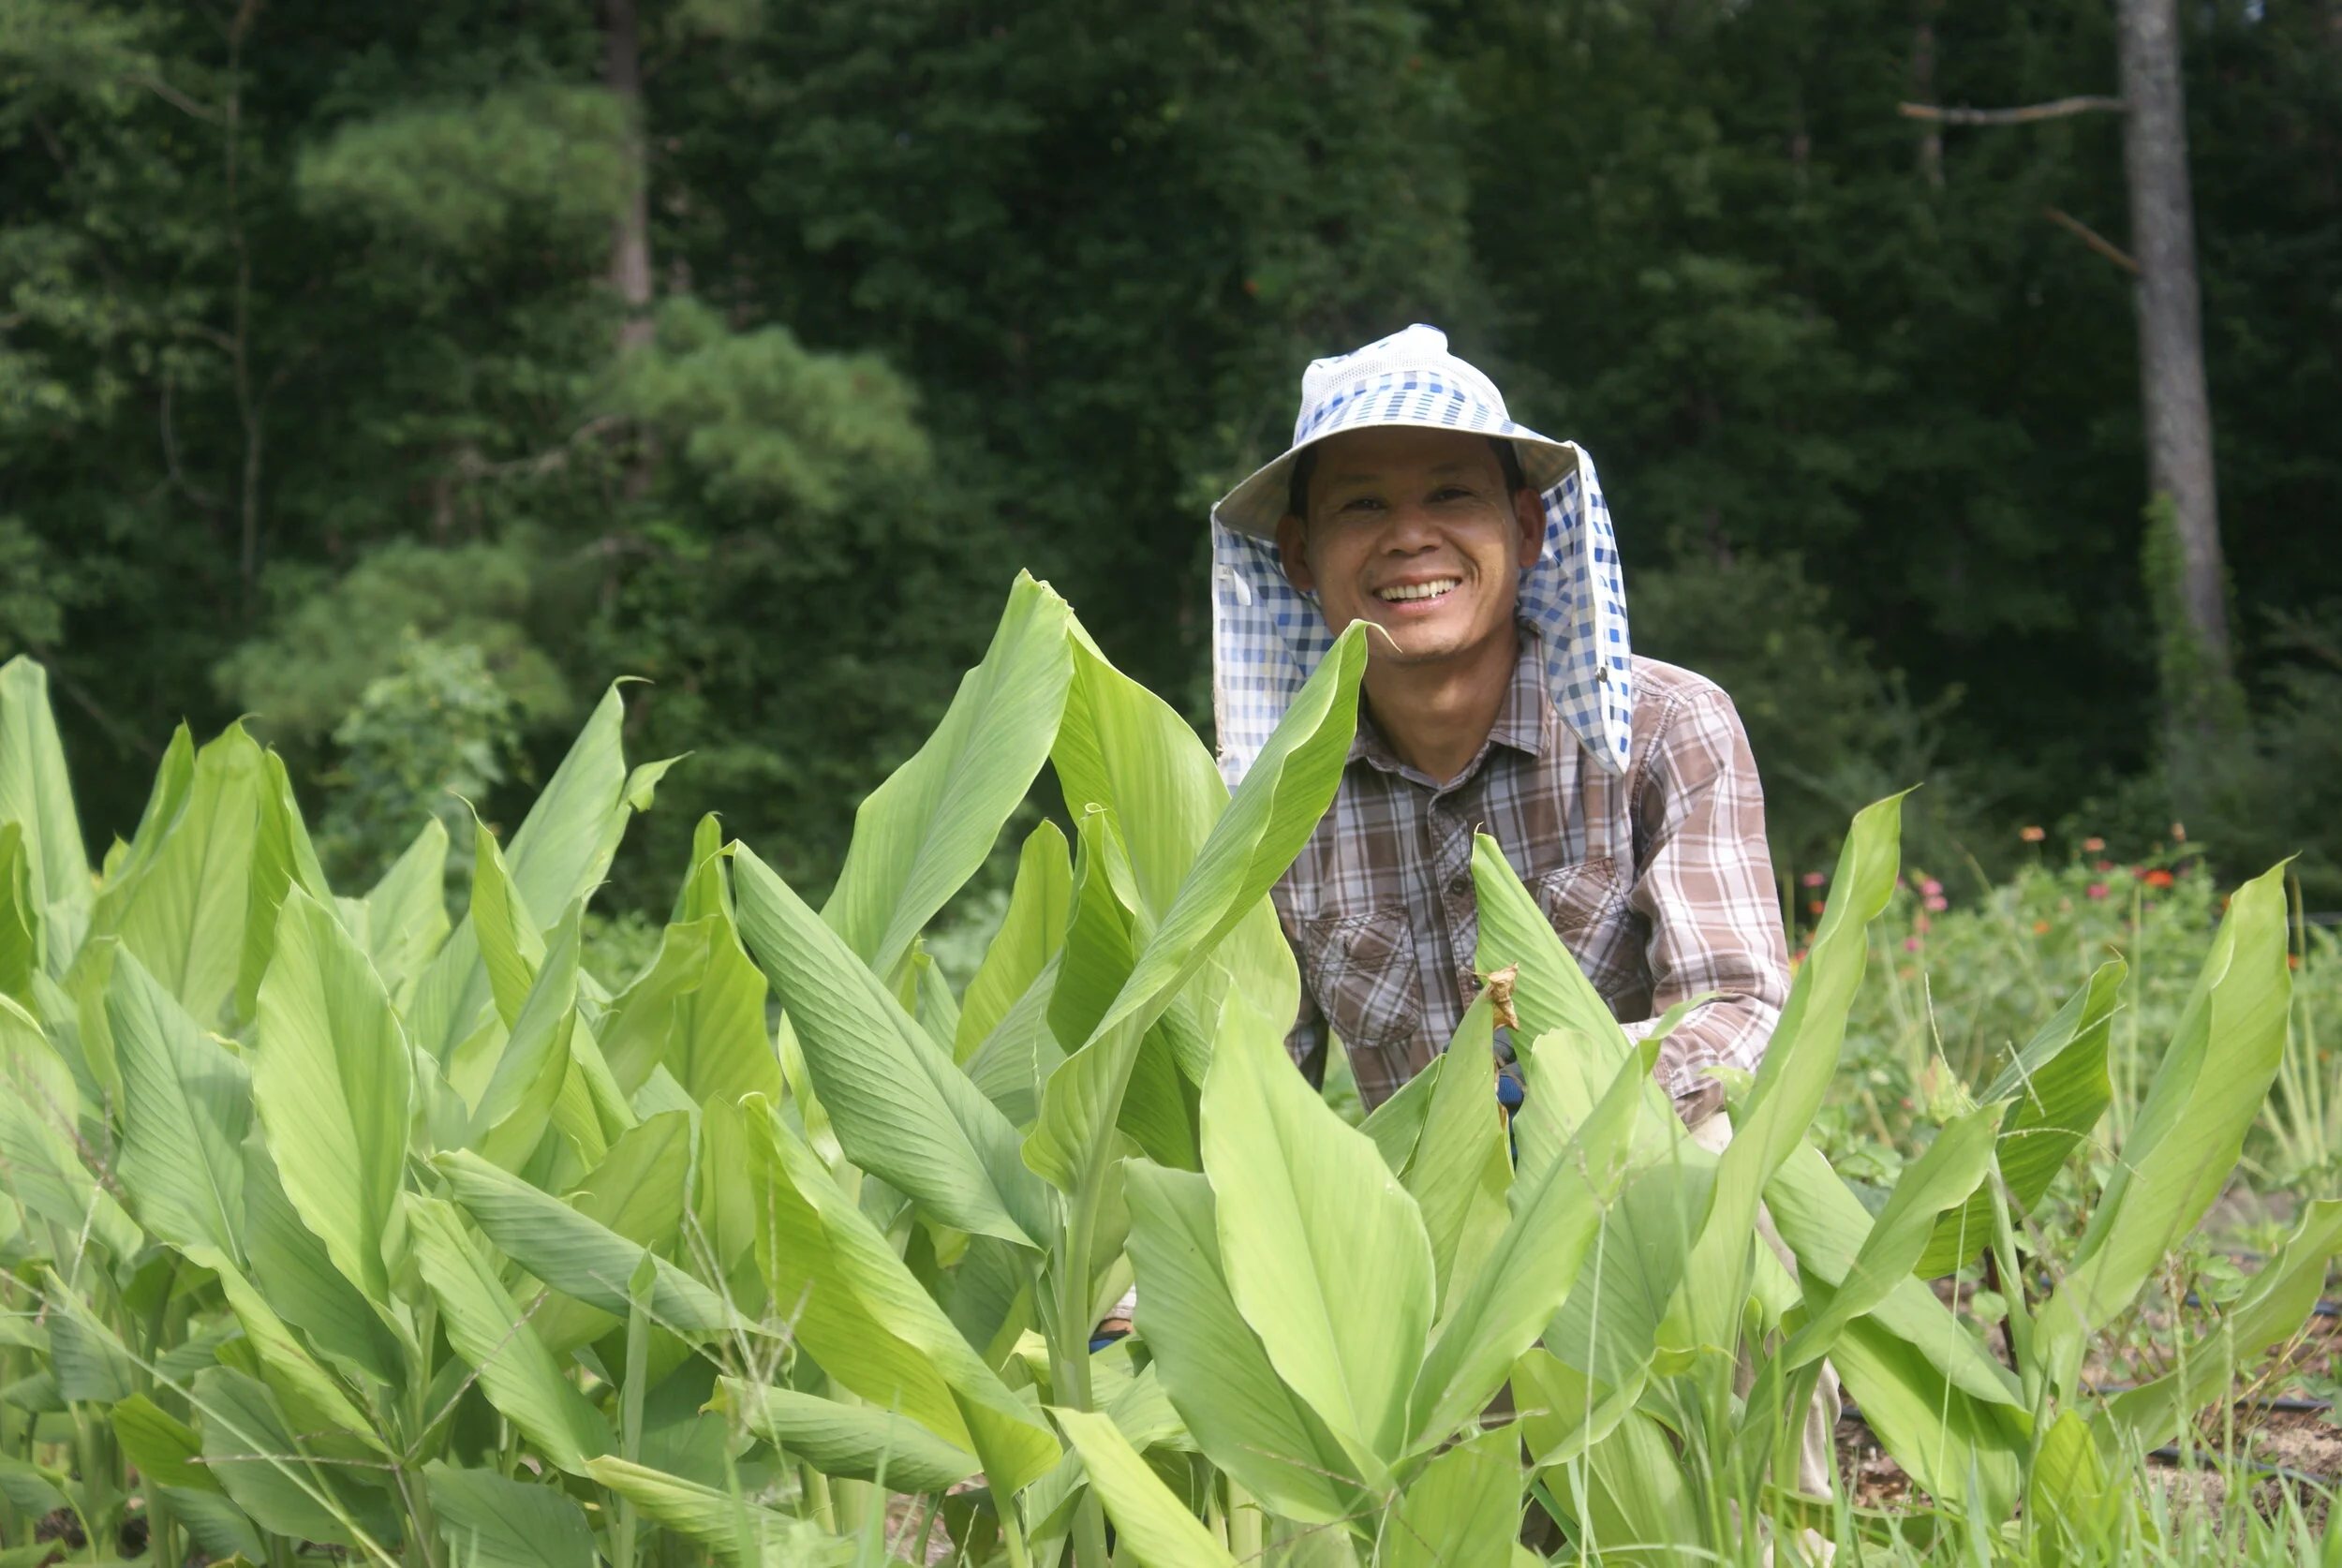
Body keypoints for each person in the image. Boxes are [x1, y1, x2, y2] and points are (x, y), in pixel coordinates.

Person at [1208, 323, 1835, 1504]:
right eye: (1360, 509)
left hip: (1629, 1217)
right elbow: (1240, 1088)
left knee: (1712, 1181)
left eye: (1451, 493)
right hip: (1423, 1266)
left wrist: (1567, 1135)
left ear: (1528, 527)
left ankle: (1752, 1523)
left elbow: (1738, 1003)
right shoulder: (1261, 798)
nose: (1409, 538)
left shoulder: (1662, 727)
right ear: (1297, 557)